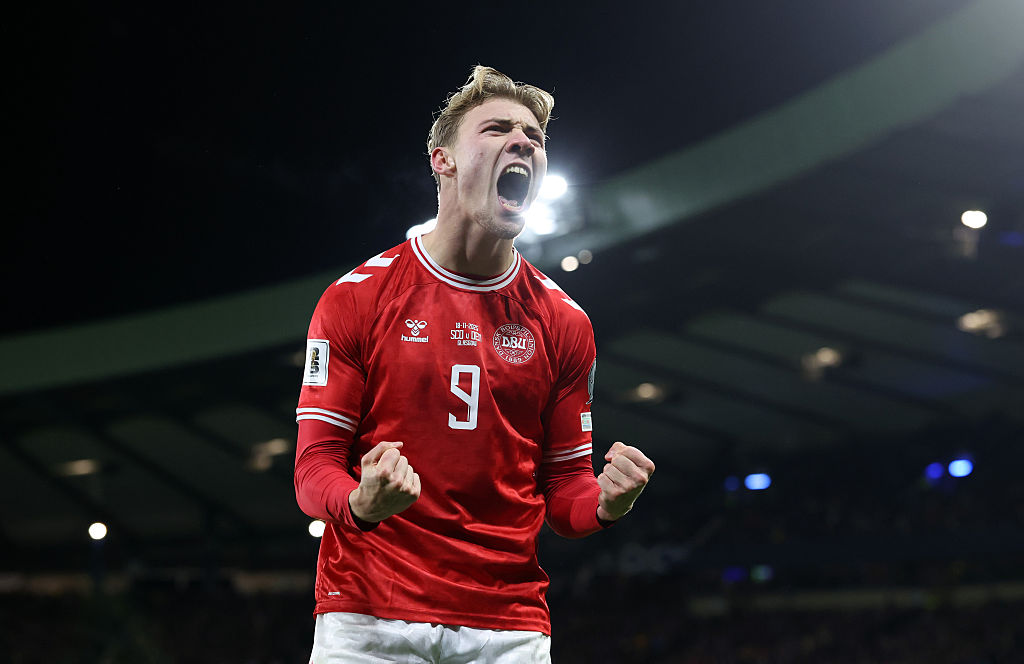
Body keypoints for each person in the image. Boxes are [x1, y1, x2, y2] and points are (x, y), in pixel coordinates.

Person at [294, 65, 655, 663]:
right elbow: (312, 470)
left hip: (507, 626)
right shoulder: (355, 298)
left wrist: (606, 503)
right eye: (496, 129)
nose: (522, 142)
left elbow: (565, 493)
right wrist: (361, 503)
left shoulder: (565, 323)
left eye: (534, 137)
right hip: (369, 615)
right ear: (443, 161)